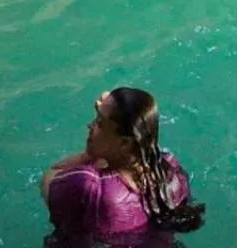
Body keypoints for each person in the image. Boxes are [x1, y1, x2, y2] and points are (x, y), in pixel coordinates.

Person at [42, 86, 204, 244]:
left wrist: (88, 154)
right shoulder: (171, 171)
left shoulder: (91, 186)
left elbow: (47, 179)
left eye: (99, 123)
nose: (90, 126)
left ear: (125, 143)